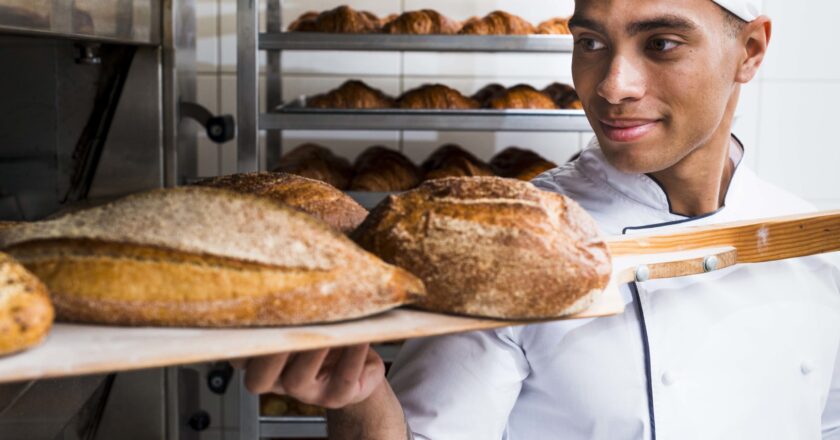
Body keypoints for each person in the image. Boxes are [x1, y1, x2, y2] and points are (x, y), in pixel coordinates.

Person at [234, 0, 840, 438]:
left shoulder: (812, 241)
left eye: (660, 43)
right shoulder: (508, 245)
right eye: (590, 43)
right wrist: (359, 400)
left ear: (751, 51)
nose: (611, 86)